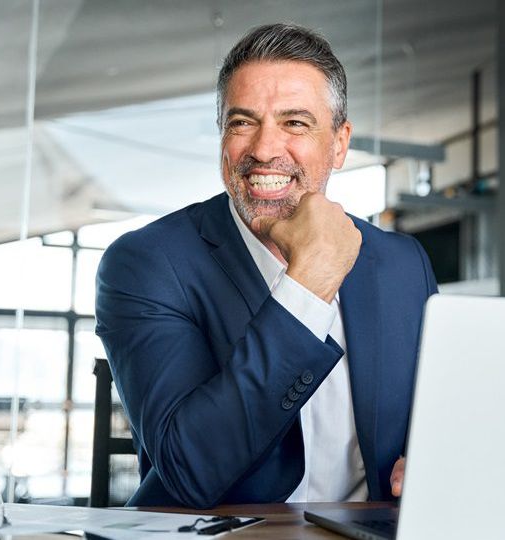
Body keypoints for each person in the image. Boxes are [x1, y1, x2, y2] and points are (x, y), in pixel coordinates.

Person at [95, 23, 437, 509]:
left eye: (295, 123)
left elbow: (438, 413)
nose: (263, 149)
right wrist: (308, 285)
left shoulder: (402, 264)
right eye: (242, 122)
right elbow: (190, 469)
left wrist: (430, 456)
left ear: (339, 144)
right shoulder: (147, 264)